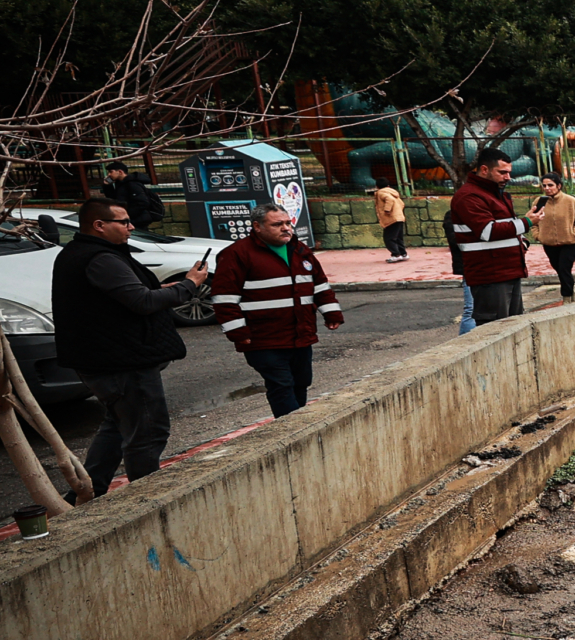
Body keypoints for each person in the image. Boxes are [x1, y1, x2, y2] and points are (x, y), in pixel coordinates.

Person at [50, 194, 209, 490]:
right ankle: (145, 496)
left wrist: (163, 288)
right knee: (147, 431)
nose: (131, 227)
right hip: (121, 362)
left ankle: (89, 491)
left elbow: (122, 296)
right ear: (99, 225)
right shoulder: (100, 258)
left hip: (106, 358)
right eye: (123, 222)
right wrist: (189, 285)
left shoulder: (83, 252)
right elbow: (142, 302)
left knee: (119, 425)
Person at [209, 201, 343, 418]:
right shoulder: (237, 254)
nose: (286, 228)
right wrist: (237, 333)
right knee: (281, 385)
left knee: (301, 383)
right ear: (257, 226)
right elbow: (224, 299)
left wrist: (331, 312)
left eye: (288, 223)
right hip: (263, 339)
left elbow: (319, 284)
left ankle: (299, 427)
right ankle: (292, 432)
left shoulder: (300, 250)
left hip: (301, 335)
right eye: (277, 224)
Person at [449, 146, 529, 320]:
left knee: (514, 327)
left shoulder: (496, 194)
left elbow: (505, 227)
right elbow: (488, 231)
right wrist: (527, 222)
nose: (508, 177)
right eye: (502, 172)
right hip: (490, 274)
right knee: (495, 328)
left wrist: (522, 242)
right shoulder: (469, 196)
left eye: (509, 172)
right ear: (484, 169)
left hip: (509, 270)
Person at [530, 174, 575, 301]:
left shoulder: (571, 201)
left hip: (569, 243)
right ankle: (572, 291)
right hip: (549, 244)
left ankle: (567, 298)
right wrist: (538, 235)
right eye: (544, 185)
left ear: (559, 186)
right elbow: (533, 221)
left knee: (564, 268)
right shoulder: (539, 202)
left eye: (550, 185)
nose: (547, 188)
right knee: (560, 270)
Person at [97, 159, 163, 229]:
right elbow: (114, 199)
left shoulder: (133, 184)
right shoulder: (120, 184)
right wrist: (107, 186)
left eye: (111, 172)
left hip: (138, 219)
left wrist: (127, 215)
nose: (109, 174)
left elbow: (142, 202)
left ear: (120, 172)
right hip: (131, 218)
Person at [373, 174, 408, 261]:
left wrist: (387, 209)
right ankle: (403, 254)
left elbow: (389, 200)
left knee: (389, 238)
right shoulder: (393, 192)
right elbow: (402, 204)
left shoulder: (381, 193)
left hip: (391, 218)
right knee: (398, 237)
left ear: (377, 186)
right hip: (399, 217)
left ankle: (396, 255)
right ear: (388, 185)